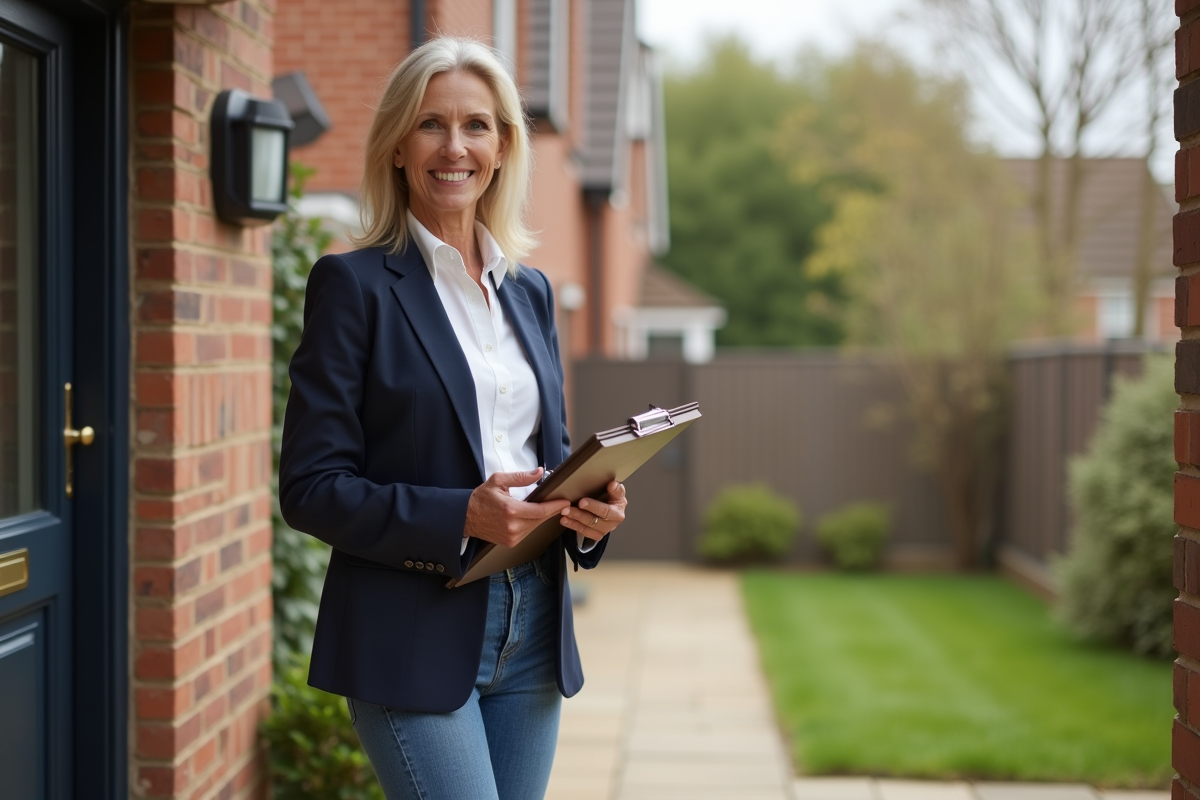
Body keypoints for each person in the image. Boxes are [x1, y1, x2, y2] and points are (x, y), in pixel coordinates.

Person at [278, 36, 628, 800]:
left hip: (532, 622)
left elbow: (551, 454)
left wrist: (587, 512)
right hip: (409, 626)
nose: (454, 146)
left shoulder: (530, 291)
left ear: (503, 147)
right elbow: (310, 486)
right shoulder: (354, 286)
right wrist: (461, 513)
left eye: (477, 125)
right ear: (398, 145)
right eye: (431, 123)